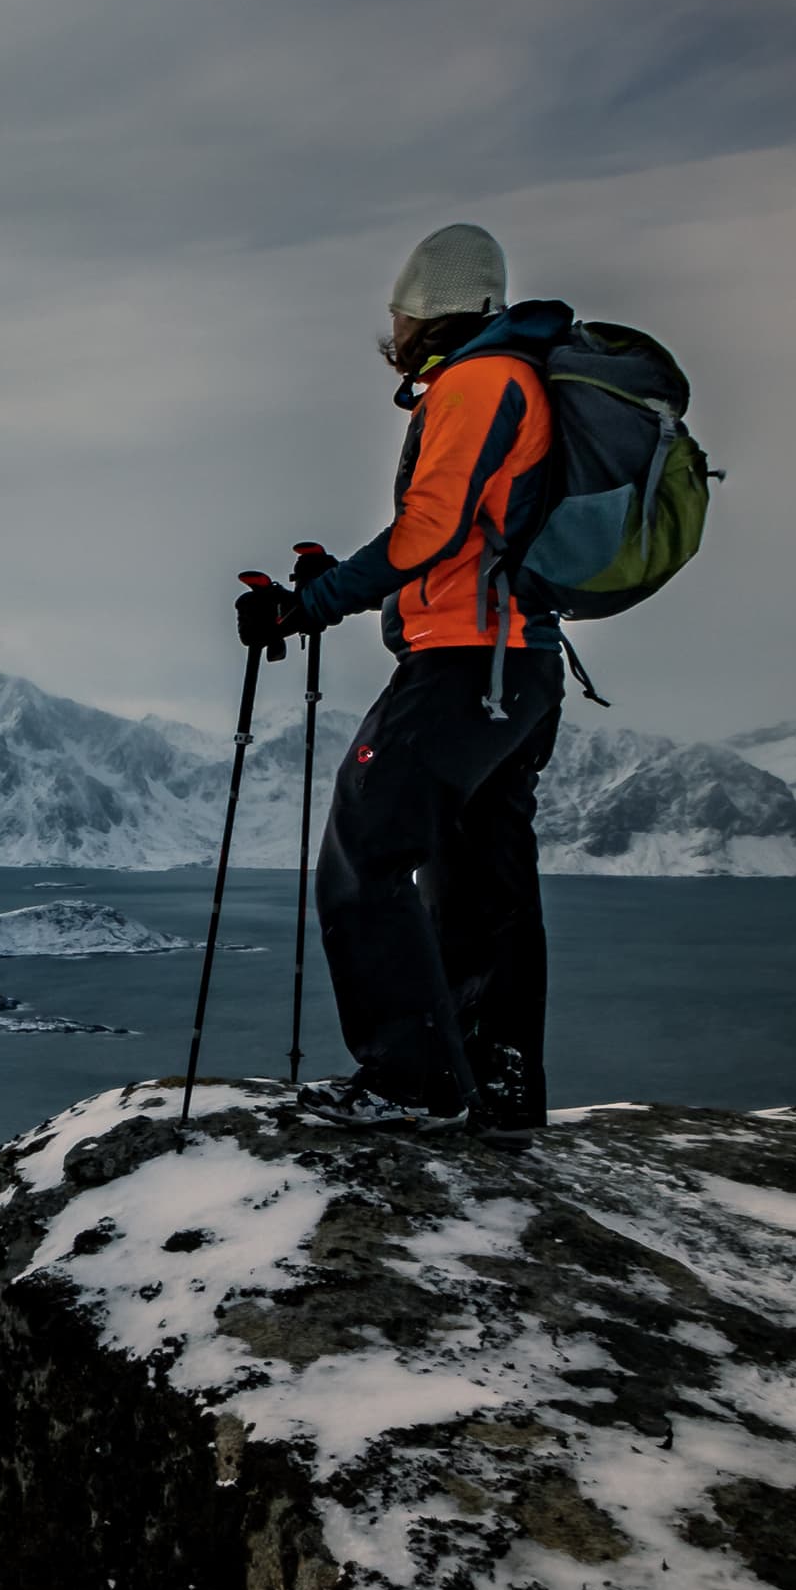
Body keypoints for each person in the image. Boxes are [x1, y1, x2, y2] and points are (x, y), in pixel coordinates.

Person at [237, 223, 570, 1135]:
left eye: (399, 309)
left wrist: (315, 603)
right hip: (520, 668)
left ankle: (408, 1083)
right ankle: (495, 1092)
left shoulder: (477, 382)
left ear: (428, 309)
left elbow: (433, 528)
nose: (392, 324)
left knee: (366, 853)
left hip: (467, 664)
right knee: (481, 882)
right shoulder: (517, 378)